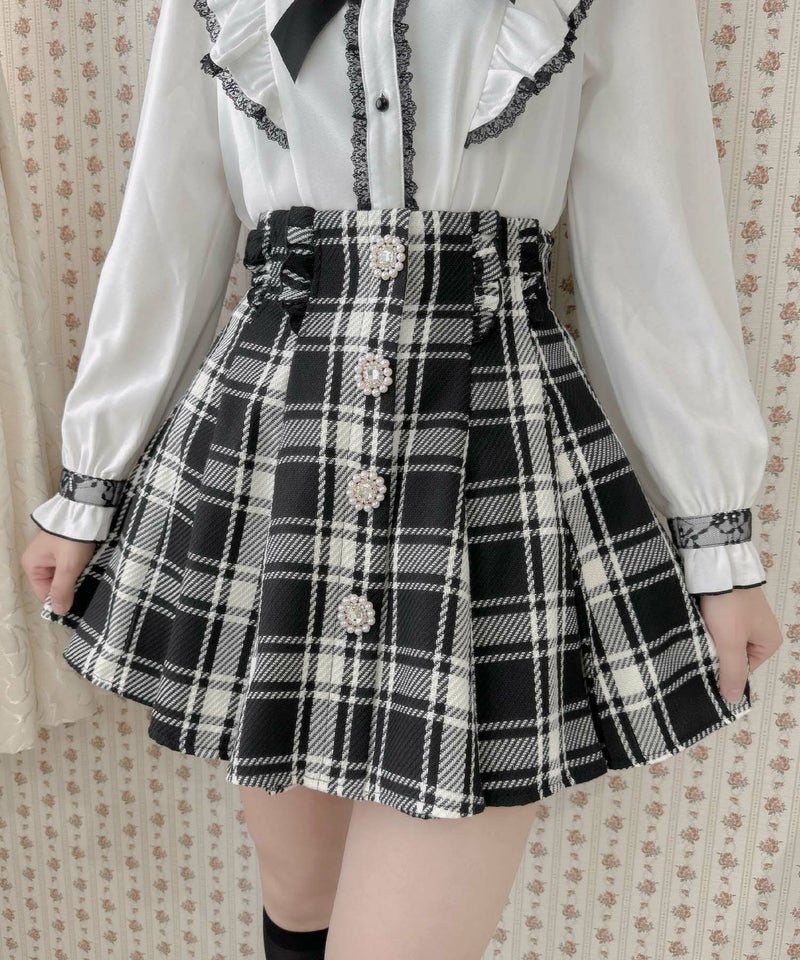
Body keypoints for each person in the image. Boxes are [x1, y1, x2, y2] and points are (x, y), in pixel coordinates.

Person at [20, 0, 783, 958]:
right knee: (298, 898)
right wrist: (89, 481)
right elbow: (168, 218)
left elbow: (650, 235)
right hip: (273, 459)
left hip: (490, 457)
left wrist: (717, 538)